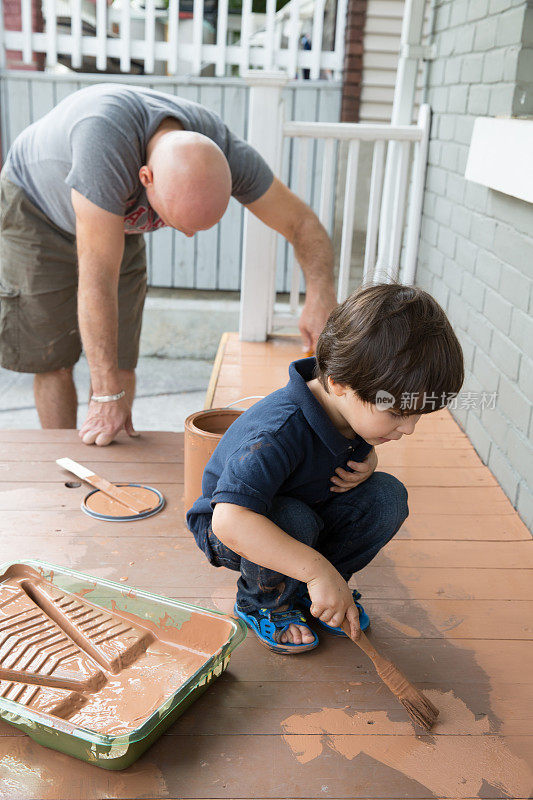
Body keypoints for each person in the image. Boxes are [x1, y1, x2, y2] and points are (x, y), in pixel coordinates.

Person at [0, 83, 337, 446]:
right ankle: (65, 461)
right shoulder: (104, 143)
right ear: (146, 178)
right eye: (179, 224)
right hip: (36, 208)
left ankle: (110, 444)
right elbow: (98, 279)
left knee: (121, 357)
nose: (188, 237)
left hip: (115, 219)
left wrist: (320, 293)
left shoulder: (221, 150)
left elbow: (302, 223)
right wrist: (105, 395)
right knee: (54, 357)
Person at [186, 282, 464, 653]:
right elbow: (229, 520)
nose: (409, 428)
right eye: (397, 413)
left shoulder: (350, 407)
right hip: (238, 528)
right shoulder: (277, 432)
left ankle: (316, 591)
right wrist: (316, 569)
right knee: (292, 518)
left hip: (308, 510)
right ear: (338, 383)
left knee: (387, 496)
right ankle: (265, 602)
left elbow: (359, 441)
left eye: (418, 414)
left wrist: (370, 459)